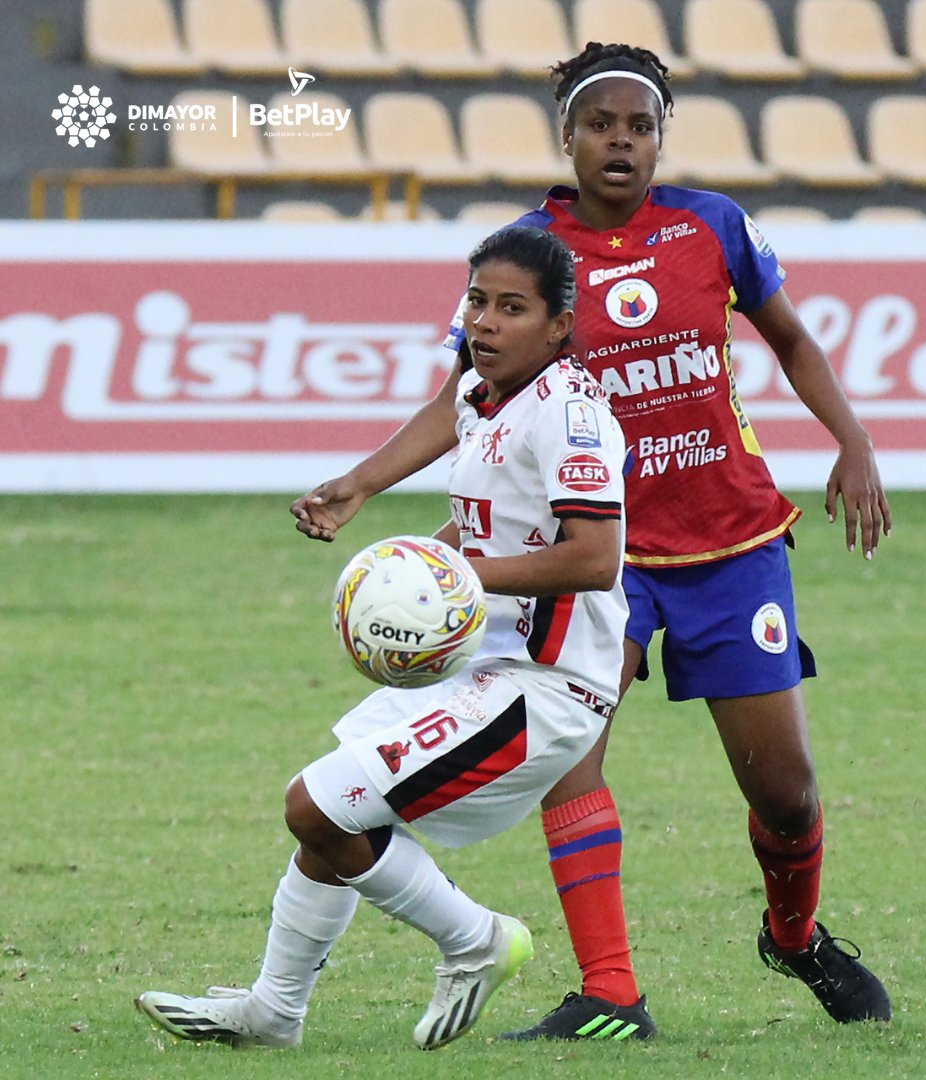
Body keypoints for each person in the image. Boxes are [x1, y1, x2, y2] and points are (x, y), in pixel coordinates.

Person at [291, 43, 894, 1041]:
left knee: (786, 796)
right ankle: (613, 991)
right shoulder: (529, 252)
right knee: (573, 755)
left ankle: (792, 936)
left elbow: (789, 337)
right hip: (584, 552)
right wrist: (361, 482)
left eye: (640, 125)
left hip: (733, 543)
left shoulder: (714, 225)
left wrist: (854, 441)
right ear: (565, 136)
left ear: (661, 137)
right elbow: (463, 400)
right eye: (600, 124)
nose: (621, 141)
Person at [135, 226, 630, 1051]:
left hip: (545, 687)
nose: (487, 322)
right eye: (478, 301)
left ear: (557, 326)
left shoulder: (571, 418)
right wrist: (395, 539)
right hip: (485, 668)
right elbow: (476, 496)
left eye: (514, 308)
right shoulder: (486, 395)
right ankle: (275, 1012)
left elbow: (596, 557)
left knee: (319, 805)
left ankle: (476, 941)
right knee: (336, 815)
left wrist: (458, 582)